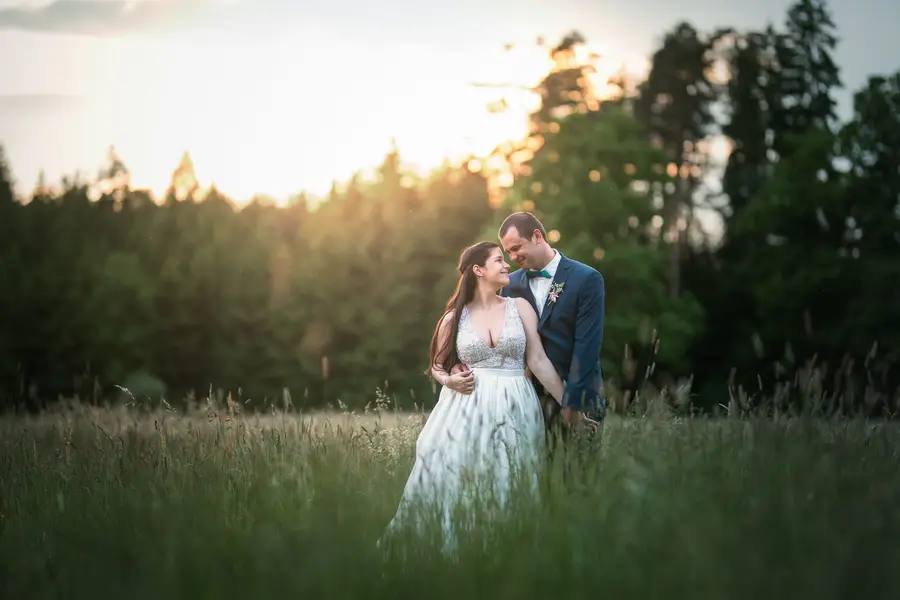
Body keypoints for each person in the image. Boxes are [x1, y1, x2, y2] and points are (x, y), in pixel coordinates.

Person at [379, 241, 566, 552]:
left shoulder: (519, 308)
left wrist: (570, 404)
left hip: (515, 407)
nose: (507, 265)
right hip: (465, 410)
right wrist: (449, 380)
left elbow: (539, 361)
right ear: (479, 270)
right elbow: (437, 366)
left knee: (511, 480)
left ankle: (507, 557)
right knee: (460, 481)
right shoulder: (454, 317)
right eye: (498, 260)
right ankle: (458, 554)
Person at [451, 212, 606, 462]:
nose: (512, 258)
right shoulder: (508, 284)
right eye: (507, 253)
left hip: (579, 394)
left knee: (579, 480)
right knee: (534, 481)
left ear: (537, 236)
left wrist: (573, 404)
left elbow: (587, 347)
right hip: (528, 402)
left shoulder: (586, 279)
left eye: (516, 248)